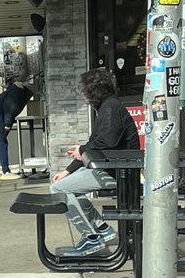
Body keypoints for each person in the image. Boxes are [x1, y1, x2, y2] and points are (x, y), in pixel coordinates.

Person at [50, 67, 139, 256]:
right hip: (111, 168)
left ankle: (91, 238)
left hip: (117, 172)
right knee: (65, 186)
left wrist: (82, 150)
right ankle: (102, 228)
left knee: (58, 189)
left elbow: (106, 141)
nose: (83, 94)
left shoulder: (110, 109)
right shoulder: (108, 107)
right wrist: (68, 171)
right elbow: (93, 145)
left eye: (84, 90)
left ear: (94, 90)